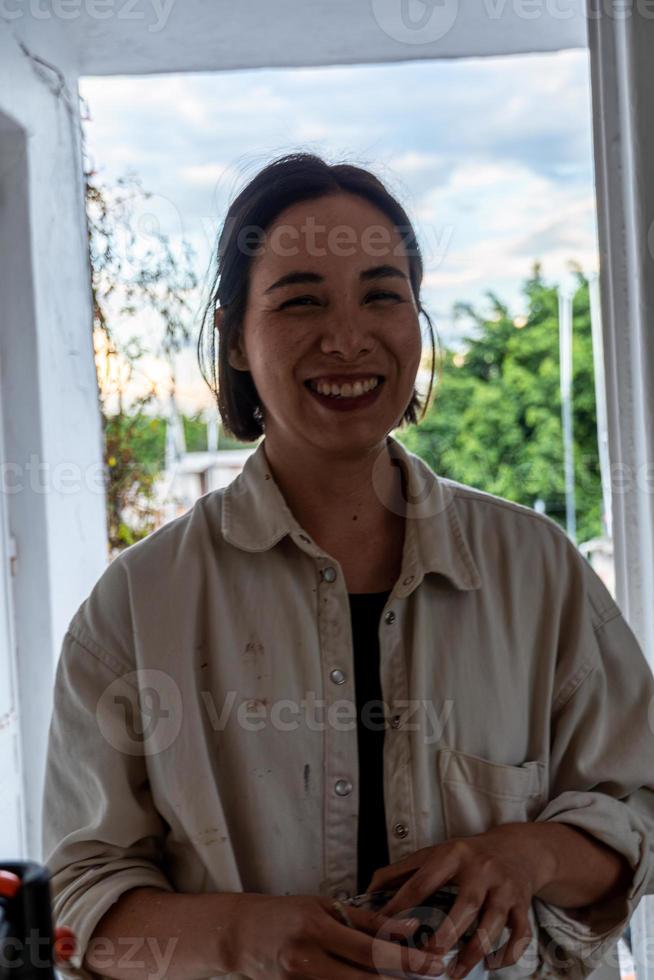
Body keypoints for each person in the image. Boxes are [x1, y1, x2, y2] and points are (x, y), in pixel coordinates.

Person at [42, 152, 654, 980]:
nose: (347, 338)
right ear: (234, 341)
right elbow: (79, 904)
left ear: (416, 321)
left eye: (382, 295)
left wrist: (528, 856)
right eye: (300, 301)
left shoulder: (536, 570)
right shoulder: (137, 607)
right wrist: (251, 940)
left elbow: (640, 809)